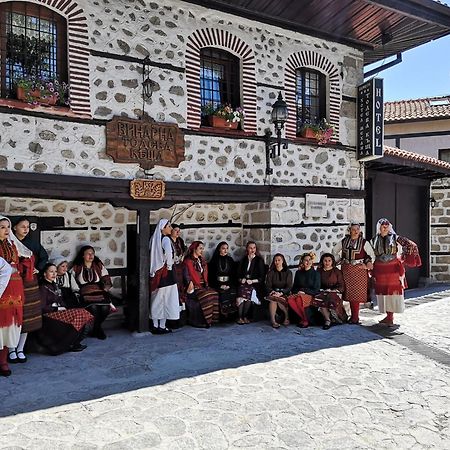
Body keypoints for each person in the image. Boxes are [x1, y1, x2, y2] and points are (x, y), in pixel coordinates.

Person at [370, 218, 421, 326]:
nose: (385, 228)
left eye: (386, 226)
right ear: (379, 227)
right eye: (383, 226)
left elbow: (410, 245)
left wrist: (403, 258)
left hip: (393, 269)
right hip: (380, 270)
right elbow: (370, 255)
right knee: (384, 293)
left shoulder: (395, 237)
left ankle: (390, 317)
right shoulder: (374, 240)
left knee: (392, 293)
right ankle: (388, 316)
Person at [8, 217, 45, 363]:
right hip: (13, 281)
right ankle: (11, 349)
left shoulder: (32, 244)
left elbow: (44, 257)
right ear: (15, 227)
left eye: (28, 226)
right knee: (14, 315)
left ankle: (21, 349)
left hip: (29, 282)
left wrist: (38, 268)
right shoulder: (9, 243)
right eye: (22, 226)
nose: (26, 229)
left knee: (27, 317)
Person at [37, 263, 93, 354]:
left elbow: (61, 300)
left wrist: (64, 307)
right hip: (48, 314)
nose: (54, 274)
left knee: (83, 313)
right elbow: (42, 307)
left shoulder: (54, 285)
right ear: (44, 273)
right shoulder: (43, 287)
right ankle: (59, 346)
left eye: (55, 271)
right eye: (51, 272)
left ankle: (74, 342)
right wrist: (57, 309)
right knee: (78, 315)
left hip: (58, 312)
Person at [0, 216, 29, 376]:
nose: (6, 230)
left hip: (14, 288)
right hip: (1, 288)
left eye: (7, 227)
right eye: (2, 227)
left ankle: (3, 361)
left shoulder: (12, 245)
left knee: (8, 327)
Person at [333, 222, 375, 325]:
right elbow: (334, 251)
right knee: (348, 293)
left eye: (357, 229)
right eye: (353, 229)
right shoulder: (344, 241)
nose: (356, 231)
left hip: (359, 270)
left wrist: (366, 266)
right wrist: (338, 260)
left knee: (355, 294)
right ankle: (348, 316)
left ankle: (355, 317)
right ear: (349, 230)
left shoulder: (364, 242)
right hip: (346, 270)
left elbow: (371, 255)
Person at [71, 245, 111, 340]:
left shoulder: (98, 265)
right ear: (82, 256)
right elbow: (71, 279)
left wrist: (106, 286)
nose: (91, 255)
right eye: (88, 254)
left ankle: (96, 328)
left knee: (106, 308)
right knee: (93, 308)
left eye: (92, 253)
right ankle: (98, 330)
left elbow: (105, 276)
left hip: (99, 291)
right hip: (85, 292)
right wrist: (76, 291)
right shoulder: (77, 267)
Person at [149, 219, 180, 334]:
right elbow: (168, 254)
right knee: (166, 299)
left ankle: (156, 325)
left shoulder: (154, 239)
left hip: (157, 273)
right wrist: (170, 265)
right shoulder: (166, 239)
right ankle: (160, 326)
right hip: (166, 273)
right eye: (169, 226)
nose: (171, 228)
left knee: (157, 299)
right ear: (163, 228)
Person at [183, 241, 219, 328]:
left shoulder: (202, 261)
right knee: (207, 296)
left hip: (203, 286)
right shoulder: (188, 262)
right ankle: (201, 322)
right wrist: (189, 283)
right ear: (194, 249)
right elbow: (186, 275)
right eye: (200, 248)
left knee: (214, 294)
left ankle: (211, 320)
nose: (202, 250)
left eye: (203, 248)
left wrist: (206, 285)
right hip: (193, 287)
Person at [312, 253, 347, 330]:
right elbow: (317, 283)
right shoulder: (319, 271)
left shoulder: (336, 271)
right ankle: (327, 320)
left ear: (332, 261)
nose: (327, 263)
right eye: (325, 261)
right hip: (322, 291)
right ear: (322, 261)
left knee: (331, 299)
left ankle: (337, 317)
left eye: (329, 261)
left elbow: (341, 285)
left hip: (335, 292)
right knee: (319, 300)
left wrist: (333, 290)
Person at [236, 241, 266, 325]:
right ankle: (240, 317)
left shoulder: (259, 260)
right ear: (247, 249)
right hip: (243, 283)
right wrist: (241, 279)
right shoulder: (244, 259)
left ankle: (244, 316)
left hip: (255, 284)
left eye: (254, 248)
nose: (252, 250)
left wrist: (252, 281)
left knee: (249, 293)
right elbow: (238, 274)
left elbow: (261, 277)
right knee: (242, 293)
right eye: (250, 248)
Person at [288, 252, 320, 328]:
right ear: (302, 261)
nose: (308, 262)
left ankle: (305, 320)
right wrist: (297, 292)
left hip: (311, 294)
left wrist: (304, 292)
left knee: (299, 299)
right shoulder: (298, 273)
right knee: (290, 300)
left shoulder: (316, 274)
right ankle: (303, 318)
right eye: (305, 260)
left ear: (312, 261)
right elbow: (295, 287)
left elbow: (316, 289)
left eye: (309, 260)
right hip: (299, 293)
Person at [208, 241, 238, 317]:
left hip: (228, 283)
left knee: (232, 291)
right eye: (223, 248)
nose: (225, 250)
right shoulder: (214, 261)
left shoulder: (230, 260)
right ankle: (224, 315)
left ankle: (232, 315)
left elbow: (233, 275)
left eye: (227, 248)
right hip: (217, 284)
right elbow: (211, 276)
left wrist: (229, 285)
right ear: (219, 249)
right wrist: (219, 286)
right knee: (222, 292)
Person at [266, 253, 293, 329]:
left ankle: (286, 317)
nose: (277, 262)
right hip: (273, 293)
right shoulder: (271, 272)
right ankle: (273, 321)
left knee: (280, 299)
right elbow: (268, 285)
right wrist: (273, 292)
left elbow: (289, 286)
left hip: (284, 292)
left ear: (282, 261)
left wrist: (281, 292)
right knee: (273, 300)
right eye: (275, 260)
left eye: (279, 260)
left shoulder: (288, 272)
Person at [169, 223, 187, 317]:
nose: (177, 232)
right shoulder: (167, 240)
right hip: (171, 268)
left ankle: (180, 314)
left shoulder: (180, 241)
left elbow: (183, 251)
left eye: (178, 231)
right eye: (176, 230)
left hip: (180, 267)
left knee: (180, 288)